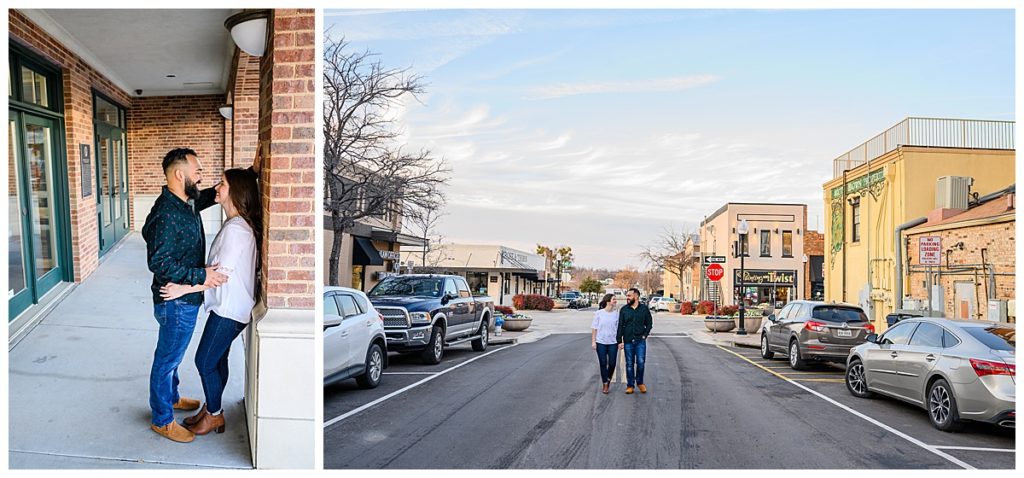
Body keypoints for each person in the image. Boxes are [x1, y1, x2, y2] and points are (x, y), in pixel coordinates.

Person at [160, 164, 262, 437]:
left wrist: (182, 289)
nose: (216, 188)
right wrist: (252, 169)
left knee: (204, 361)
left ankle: (215, 415)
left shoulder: (237, 230)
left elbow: (218, 276)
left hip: (229, 310)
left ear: (236, 193)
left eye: (223, 185)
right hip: (230, 306)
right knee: (217, 361)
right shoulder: (236, 224)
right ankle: (211, 408)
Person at [142, 148, 228, 443]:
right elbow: (159, 263)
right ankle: (162, 419)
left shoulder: (184, 201)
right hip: (175, 302)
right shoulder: (167, 213)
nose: (201, 175)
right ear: (180, 175)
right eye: (198, 170)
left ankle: (173, 397)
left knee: (173, 357)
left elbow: (203, 197)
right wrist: (201, 275)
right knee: (166, 361)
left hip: (183, 299)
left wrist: (250, 173)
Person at [616, 287, 653, 395]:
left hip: (640, 341)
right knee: (629, 364)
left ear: (636, 296)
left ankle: (640, 383)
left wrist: (644, 335)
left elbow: (649, 323)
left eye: (629, 296)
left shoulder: (644, 309)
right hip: (628, 340)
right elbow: (620, 326)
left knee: (641, 363)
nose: (627, 298)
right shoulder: (624, 310)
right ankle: (630, 385)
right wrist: (619, 340)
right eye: (627, 296)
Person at [591, 293, 620, 394]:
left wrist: (620, 341)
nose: (615, 301)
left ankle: (608, 379)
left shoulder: (616, 314)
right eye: (614, 299)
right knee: (603, 363)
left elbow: (618, 329)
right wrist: (593, 342)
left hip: (613, 342)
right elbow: (594, 328)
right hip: (601, 342)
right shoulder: (599, 313)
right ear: (608, 301)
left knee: (612, 363)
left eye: (615, 299)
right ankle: (605, 384)